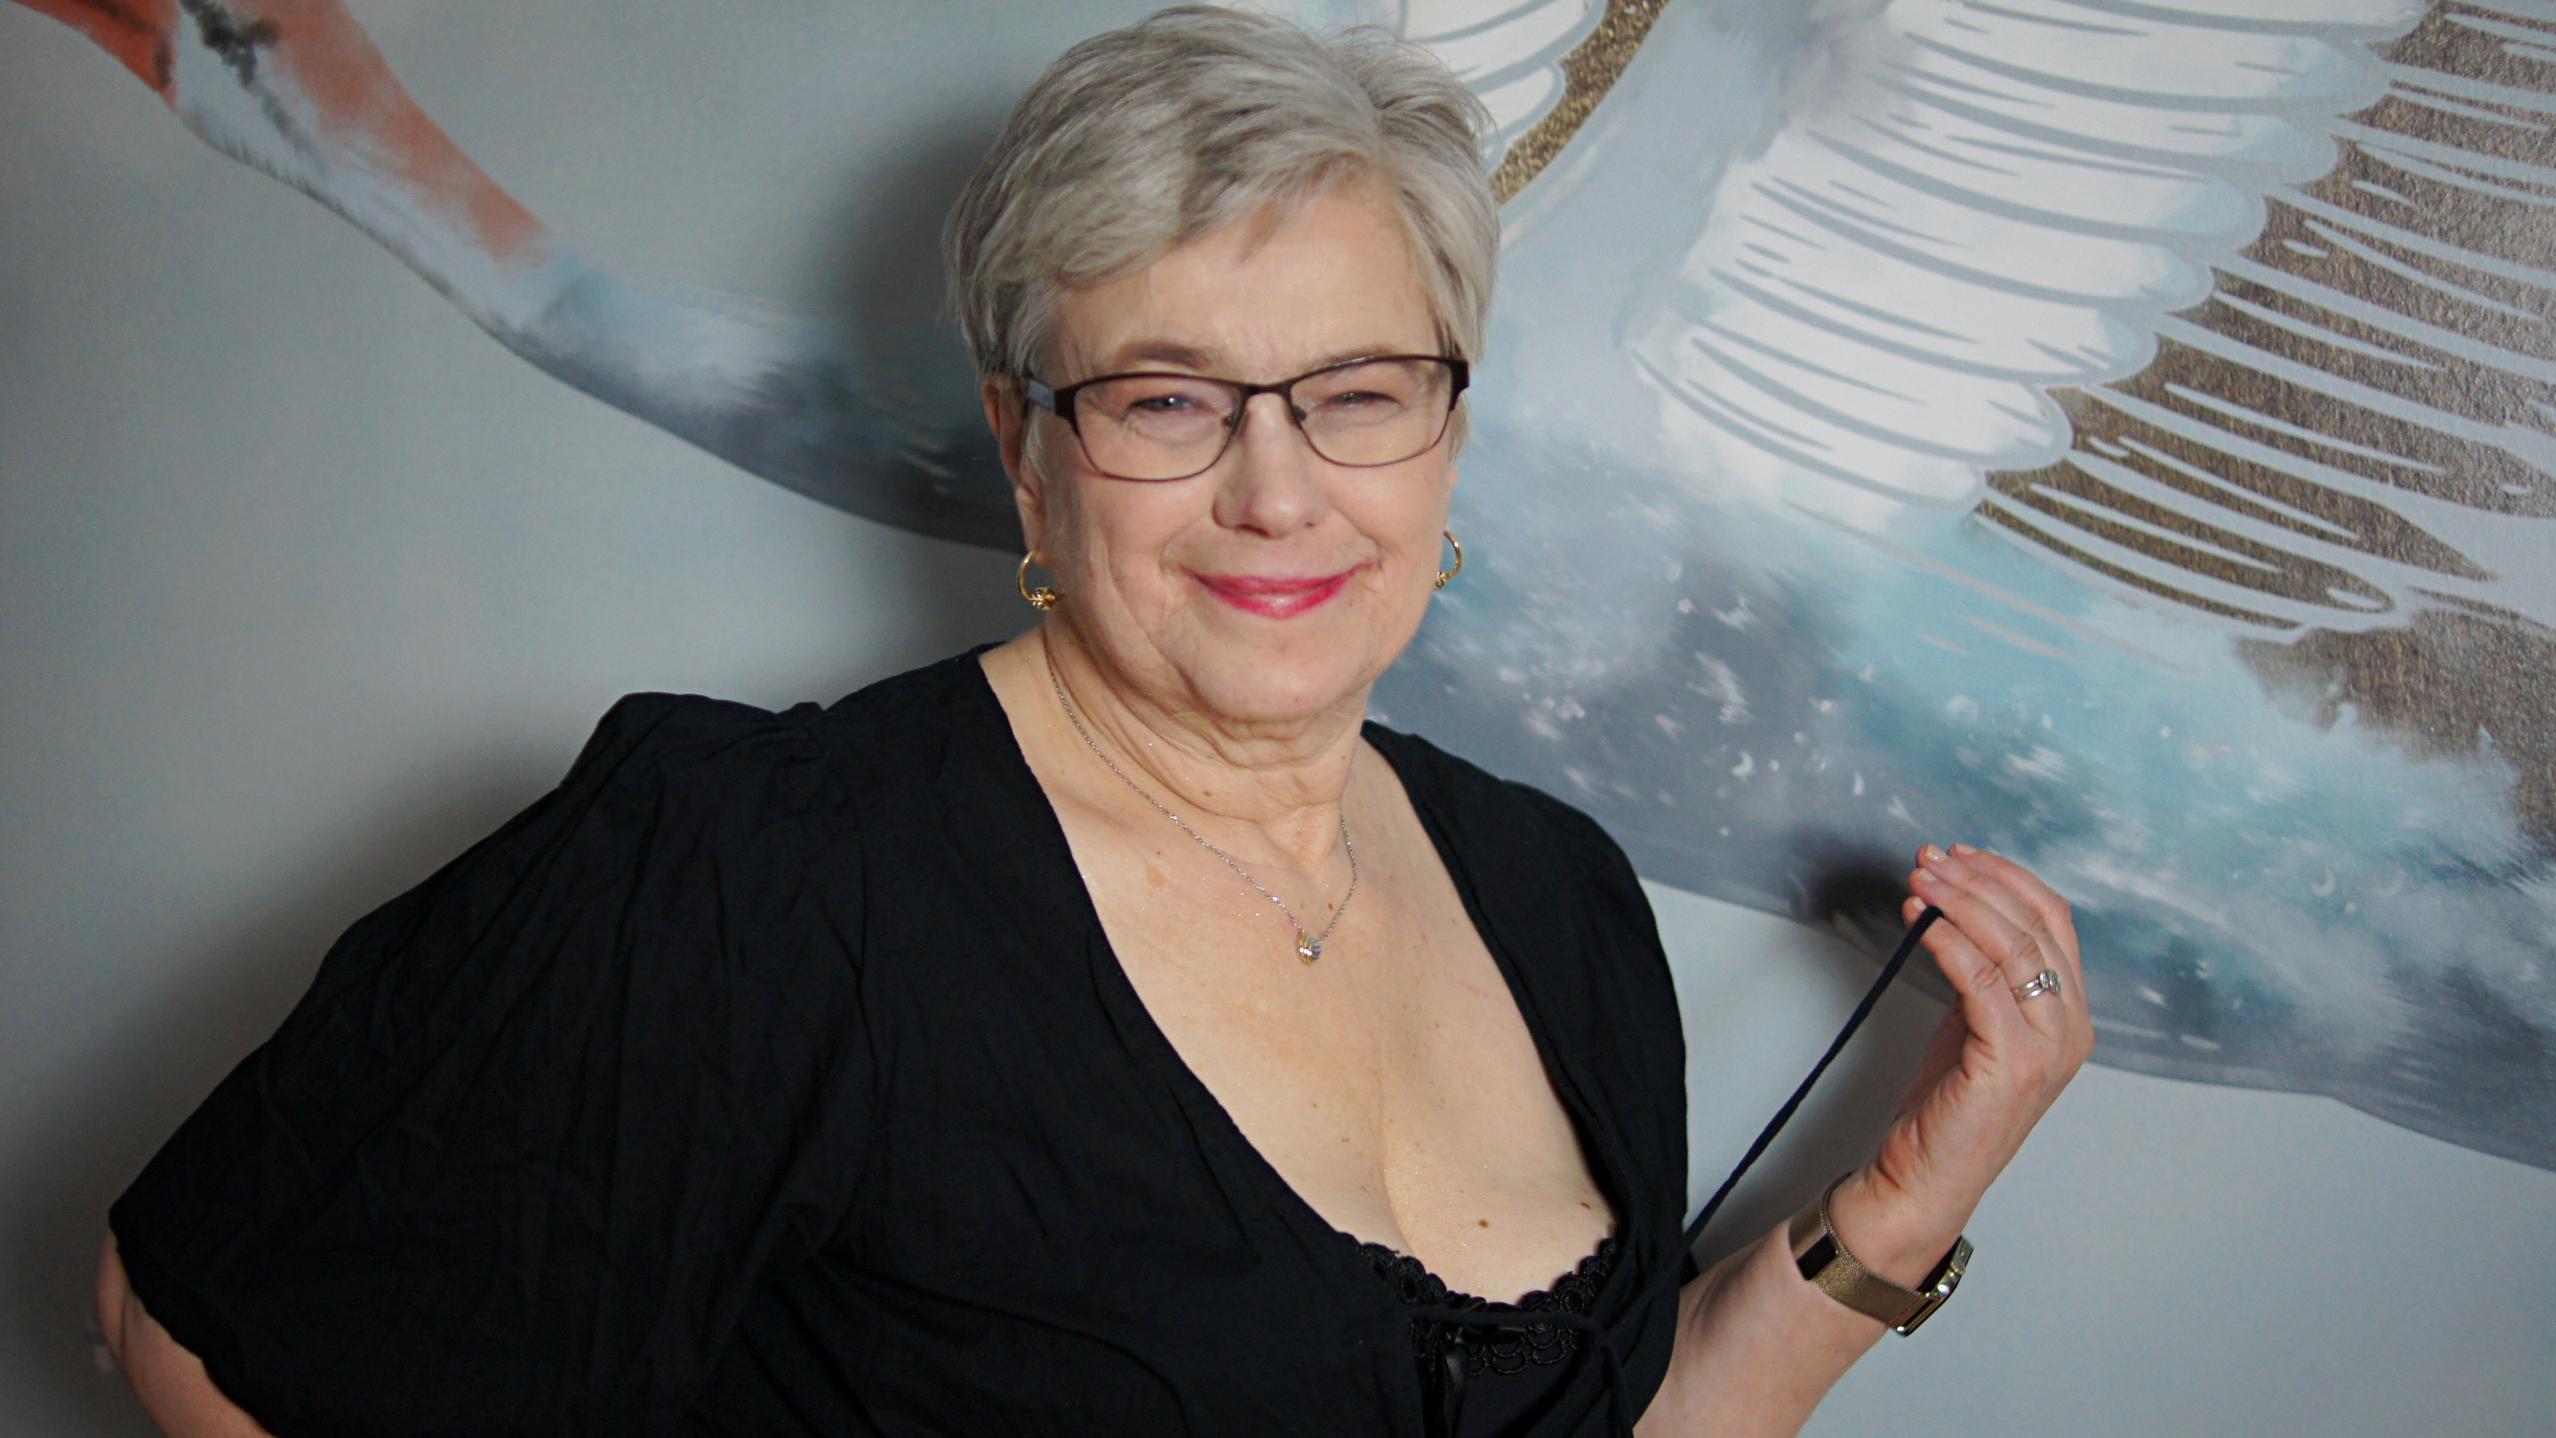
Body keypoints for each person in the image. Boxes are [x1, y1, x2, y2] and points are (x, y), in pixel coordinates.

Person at [95, 7, 2093, 1435]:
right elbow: (193, 1328)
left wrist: (1896, 1208)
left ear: (1447, 433)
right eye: (1164, 399)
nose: (1277, 491)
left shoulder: (1555, 893)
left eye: (1358, 391)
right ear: (1025, 449)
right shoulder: (756, 874)